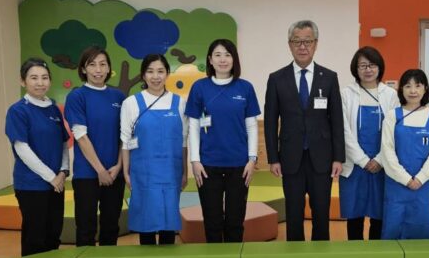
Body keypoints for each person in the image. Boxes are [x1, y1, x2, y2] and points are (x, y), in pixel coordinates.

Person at [264, 20, 344, 241]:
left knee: (321, 211)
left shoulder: (329, 77)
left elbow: (337, 120)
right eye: (297, 41)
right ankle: (294, 254)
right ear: (289, 44)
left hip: (322, 157)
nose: (302, 46)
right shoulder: (276, 79)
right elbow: (270, 121)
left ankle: (321, 254)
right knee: (293, 212)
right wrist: (273, 158)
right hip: (290, 158)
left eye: (307, 41)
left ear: (315, 44)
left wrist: (338, 157)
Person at [186, 39, 261, 242]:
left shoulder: (245, 88)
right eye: (217, 55)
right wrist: (195, 160)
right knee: (212, 222)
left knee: (235, 222)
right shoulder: (199, 88)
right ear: (210, 60)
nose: (223, 59)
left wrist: (252, 159)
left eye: (227, 55)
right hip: (207, 166)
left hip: (239, 166)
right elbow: (193, 126)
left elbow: (252, 126)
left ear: (234, 59)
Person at [120, 54, 187, 245]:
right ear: (143, 75)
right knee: (146, 221)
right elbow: (125, 140)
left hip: (171, 172)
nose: (155, 76)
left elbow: (183, 141)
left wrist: (185, 171)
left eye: (160, 71)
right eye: (150, 71)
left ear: (167, 74)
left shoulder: (180, 103)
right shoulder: (131, 103)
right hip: (143, 173)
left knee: (168, 222)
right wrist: (126, 172)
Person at [4, 58, 69, 256]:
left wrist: (63, 172)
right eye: (34, 78)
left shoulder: (54, 108)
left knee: (53, 233)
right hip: (31, 185)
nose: (40, 82)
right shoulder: (18, 110)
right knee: (35, 237)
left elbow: (63, 143)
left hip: (57, 184)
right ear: (23, 81)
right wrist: (51, 177)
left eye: (44, 77)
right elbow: (22, 148)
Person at [63, 46, 125, 247]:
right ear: (83, 69)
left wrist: (118, 166)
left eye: (102, 64)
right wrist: (100, 170)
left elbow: (125, 137)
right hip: (87, 175)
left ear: (108, 69)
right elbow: (81, 137)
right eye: (92, 65)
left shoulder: (119, 97)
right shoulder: (77, 96)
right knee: (86, 228)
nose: (98, 69)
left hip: (115, 174)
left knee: (111, 227)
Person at [339, 46, 398, 240]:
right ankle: (355, 253)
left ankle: (376, 252)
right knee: (354, 216)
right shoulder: (346, 94)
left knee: (379, 215)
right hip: (354, 165)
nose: (368, 70)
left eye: (372, 65)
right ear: (355, 69)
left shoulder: (390, 95)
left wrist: (379, 159)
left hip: (382, 165)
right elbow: (344, 130)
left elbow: (394, 130)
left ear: (379, 67)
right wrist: (363, 160)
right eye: (362, 65)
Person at [380, 69, 429, 240]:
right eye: (408, 86)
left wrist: (420, 178)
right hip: (396, 184)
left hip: (425, 186)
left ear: (425, 89)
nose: (413, 91)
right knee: (393, 230)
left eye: (418, 86)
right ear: (401, 89)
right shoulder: (392, 116)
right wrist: (406, 179)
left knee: (424, 231)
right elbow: (387, 151)